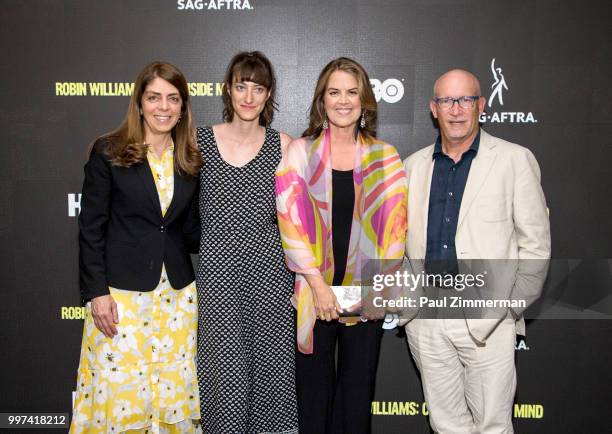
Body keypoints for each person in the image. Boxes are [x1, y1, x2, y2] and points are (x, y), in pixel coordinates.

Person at [402, 69, 551, 433]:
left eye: (465, 99)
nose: (456, 109)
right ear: (433, 108)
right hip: (428, 317)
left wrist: (509, 306)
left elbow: (535, 242)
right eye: (446, 101)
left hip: (489, 317)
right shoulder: (412, 166)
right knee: (446, 423)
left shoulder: (515, 160)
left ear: (481, 106)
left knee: (493, 426)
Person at [276, 57, 407, 434]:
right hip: (314, 295)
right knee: (314, 404)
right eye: (334, 92)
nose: (343, 100)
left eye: (352, 92)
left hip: (366, 295)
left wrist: (377, 288)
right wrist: (317, 286)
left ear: (365, 100)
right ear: (322, 100)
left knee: (356, 402)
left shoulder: (386, 156)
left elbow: (396, 231)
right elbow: (290, 221)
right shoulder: (300, 152)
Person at [71, 62, 202, 434]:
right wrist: (97, 292)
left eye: (173, 99)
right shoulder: (109, 151)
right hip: (120, 297)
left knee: (169, 390)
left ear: (182, 107)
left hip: (175, 298)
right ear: (140, 103)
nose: (164, 107)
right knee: (119, 392)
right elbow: (90, 229)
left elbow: (189, 230)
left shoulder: (188, 159)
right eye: (154, 97)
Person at [195, 51, 298, 434]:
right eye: (242, 86)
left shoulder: (285, 145)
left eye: (258, 88)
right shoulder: (197, 143)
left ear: (268, 94)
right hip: (218, 283)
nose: (249, 97)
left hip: (271, 280)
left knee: (272, 375)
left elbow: (300, 225)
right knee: (224, 379)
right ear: (228, 90)